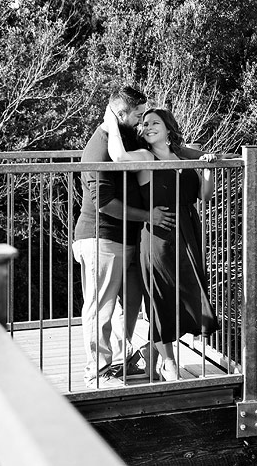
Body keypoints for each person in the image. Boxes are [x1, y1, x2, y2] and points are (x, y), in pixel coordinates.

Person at [103, 106, 220, 382]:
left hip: (188, 231)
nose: (147, 127)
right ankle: (168, 362)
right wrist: (110, 123)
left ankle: (151, 352)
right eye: (143, 124)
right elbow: (118, 157)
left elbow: (205, 195)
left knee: (189, 293)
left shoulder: (183, 155)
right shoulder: (145, 155)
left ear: (168, 128)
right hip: (158, 236)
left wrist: (207, 168)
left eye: (155, 122)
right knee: (160, 298)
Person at [72, 84, 173, 387]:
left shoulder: (125, 140)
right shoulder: (100, 146)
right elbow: (104, 203)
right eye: (138, 115)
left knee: (128, 306)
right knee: (100, 306)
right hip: (100, 237)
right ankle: (97, 371)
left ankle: (121, 360)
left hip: (127, 239)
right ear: (120, 114)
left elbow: (166, 146)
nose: (142, 121)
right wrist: (148, 216)